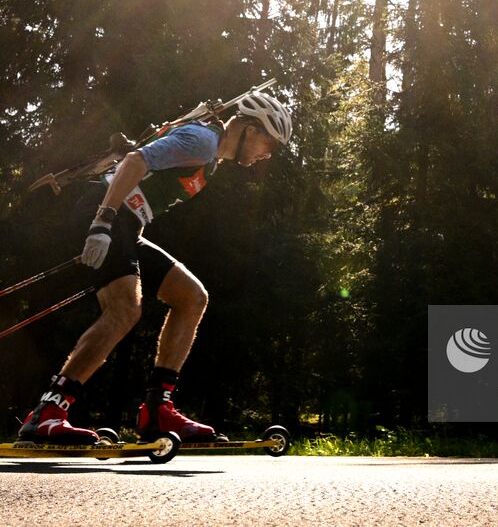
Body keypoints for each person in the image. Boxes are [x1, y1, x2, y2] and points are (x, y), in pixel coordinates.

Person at [17, 90, 293, 444]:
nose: (266, 154)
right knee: (124, 310)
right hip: (105, 214)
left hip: (126, 225)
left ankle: (157, 412)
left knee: (192, 297)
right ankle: (48, 413)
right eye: (268, 142)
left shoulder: (210, 156)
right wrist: (102, 223)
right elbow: (134, 162)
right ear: (250, 129)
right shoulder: (203, 142)